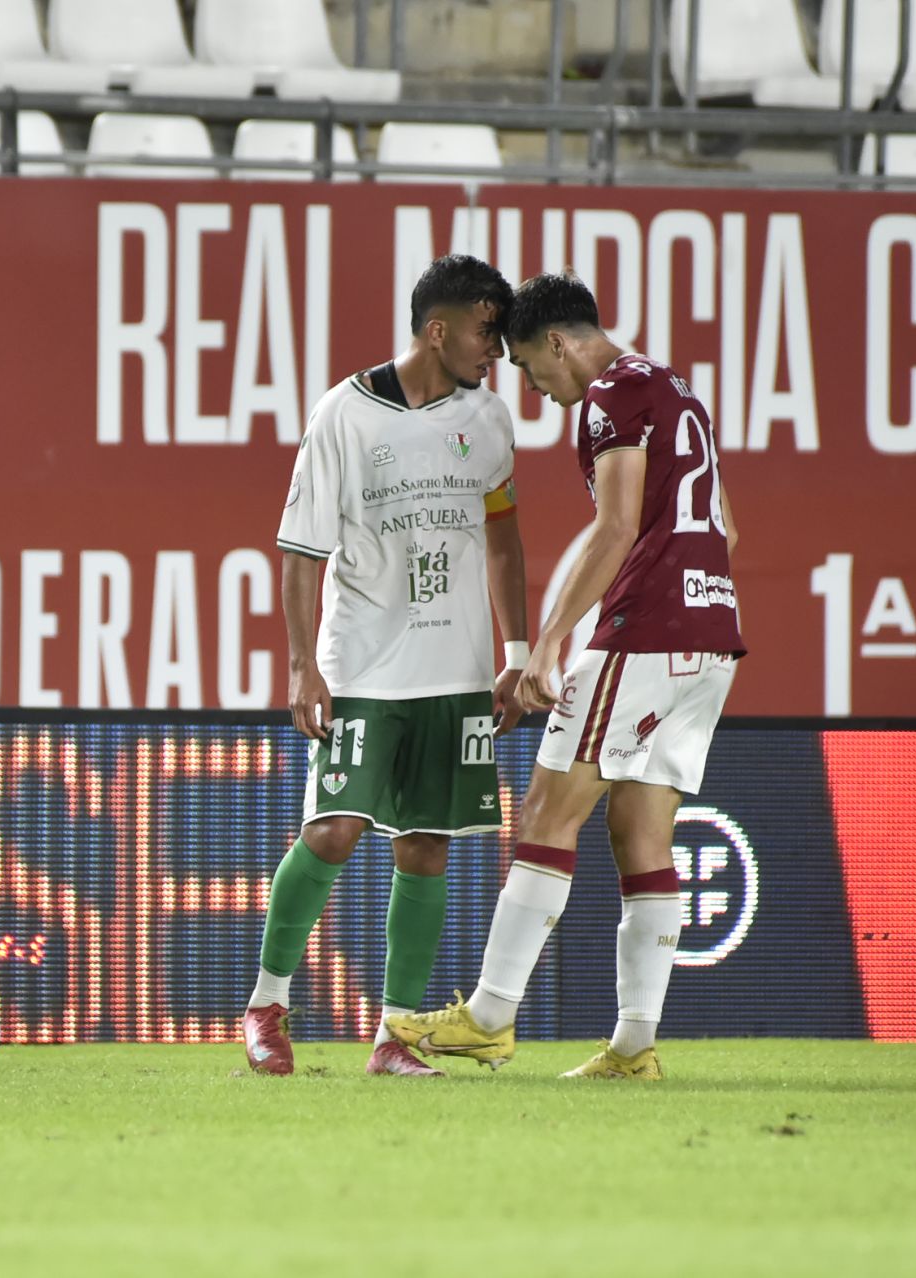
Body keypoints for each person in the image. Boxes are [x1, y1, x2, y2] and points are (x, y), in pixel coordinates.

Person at [385, 271, 745, 1081]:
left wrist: (548, 643)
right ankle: (633, 1048)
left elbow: (615, 526)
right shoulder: (672, 387)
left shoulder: (610, 397)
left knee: (547, 811)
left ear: (556, 343)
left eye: (525, 365)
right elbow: (726, 524)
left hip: (645, 633)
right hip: (711, 633)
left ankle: (488, 1016)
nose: (533, 388)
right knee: (640, 835)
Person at [244, 255, 530, 1077]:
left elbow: (504, 537)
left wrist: (513, 655)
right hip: (365, 666)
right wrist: (304, 667)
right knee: (333, 831)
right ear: (436, 330)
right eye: (485, 332)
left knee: (427, 849)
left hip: (459, 669)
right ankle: (266, 1004)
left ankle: (394, 1038)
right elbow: (301, 550)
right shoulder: (343, 413)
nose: (497, 351)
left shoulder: (491, 420)